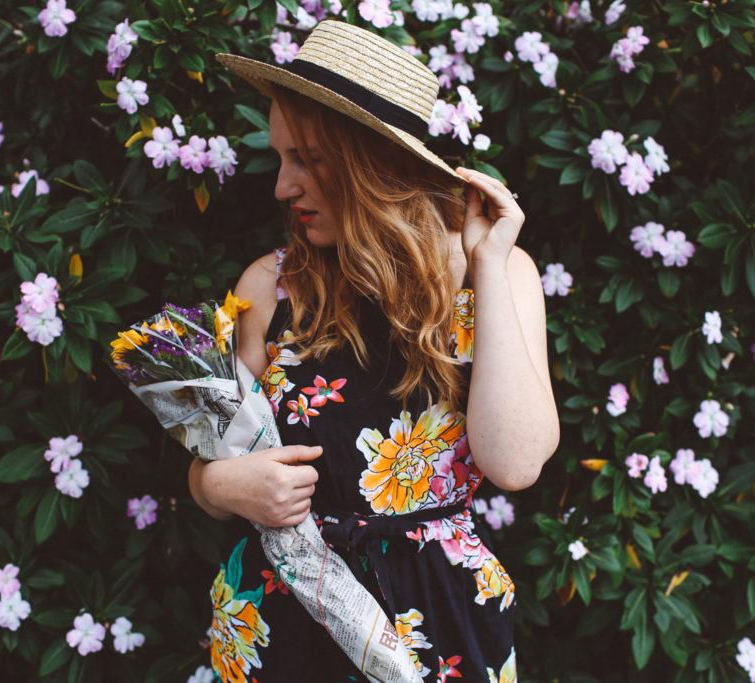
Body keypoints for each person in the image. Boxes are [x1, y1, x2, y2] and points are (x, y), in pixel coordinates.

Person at [189, 20, 560, 682]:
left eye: (307, 158)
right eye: (281, 158)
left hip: (437, 629)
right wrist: (222, 484)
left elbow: (515, 461)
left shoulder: (492, 276)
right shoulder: (267, 290)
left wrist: (491, 262)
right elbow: (208, 463)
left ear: (372, 162)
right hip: (285, 623)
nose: (282, 186)